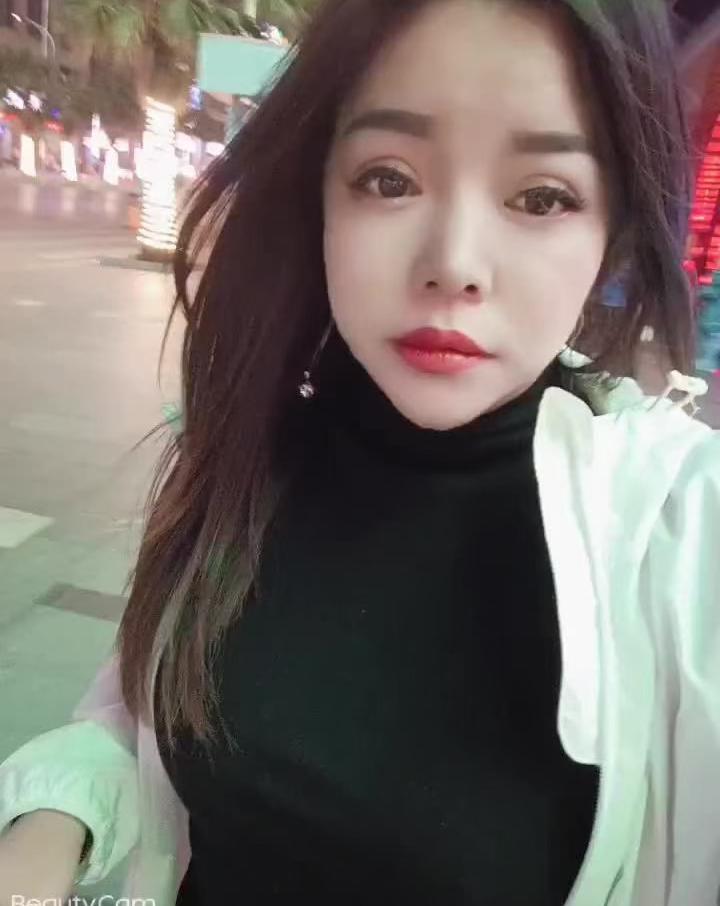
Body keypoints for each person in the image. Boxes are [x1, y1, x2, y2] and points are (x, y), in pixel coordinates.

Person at [0, 1, 718, 905]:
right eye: (388, 179)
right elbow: (140, 717)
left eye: (541, 197)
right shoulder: (242, 460)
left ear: (611, 233)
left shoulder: (680, 539)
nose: (455, 263)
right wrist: (48, 826)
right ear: (319, 201)